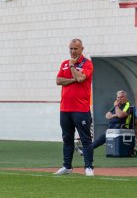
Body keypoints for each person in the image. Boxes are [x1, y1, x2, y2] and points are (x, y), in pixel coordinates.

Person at [55, 38, 94, 176]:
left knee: (85, 138)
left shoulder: (87, 64)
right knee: (67, 138)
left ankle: (88, 167)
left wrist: (72, 67)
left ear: (82, 49)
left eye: (75, 48)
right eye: (71, 48)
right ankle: (67, 166)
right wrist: (73, 79)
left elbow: (81, 78)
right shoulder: (64, 63)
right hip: (65, 108)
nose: (73, 51)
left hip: (81, 108)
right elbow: (58, 80)